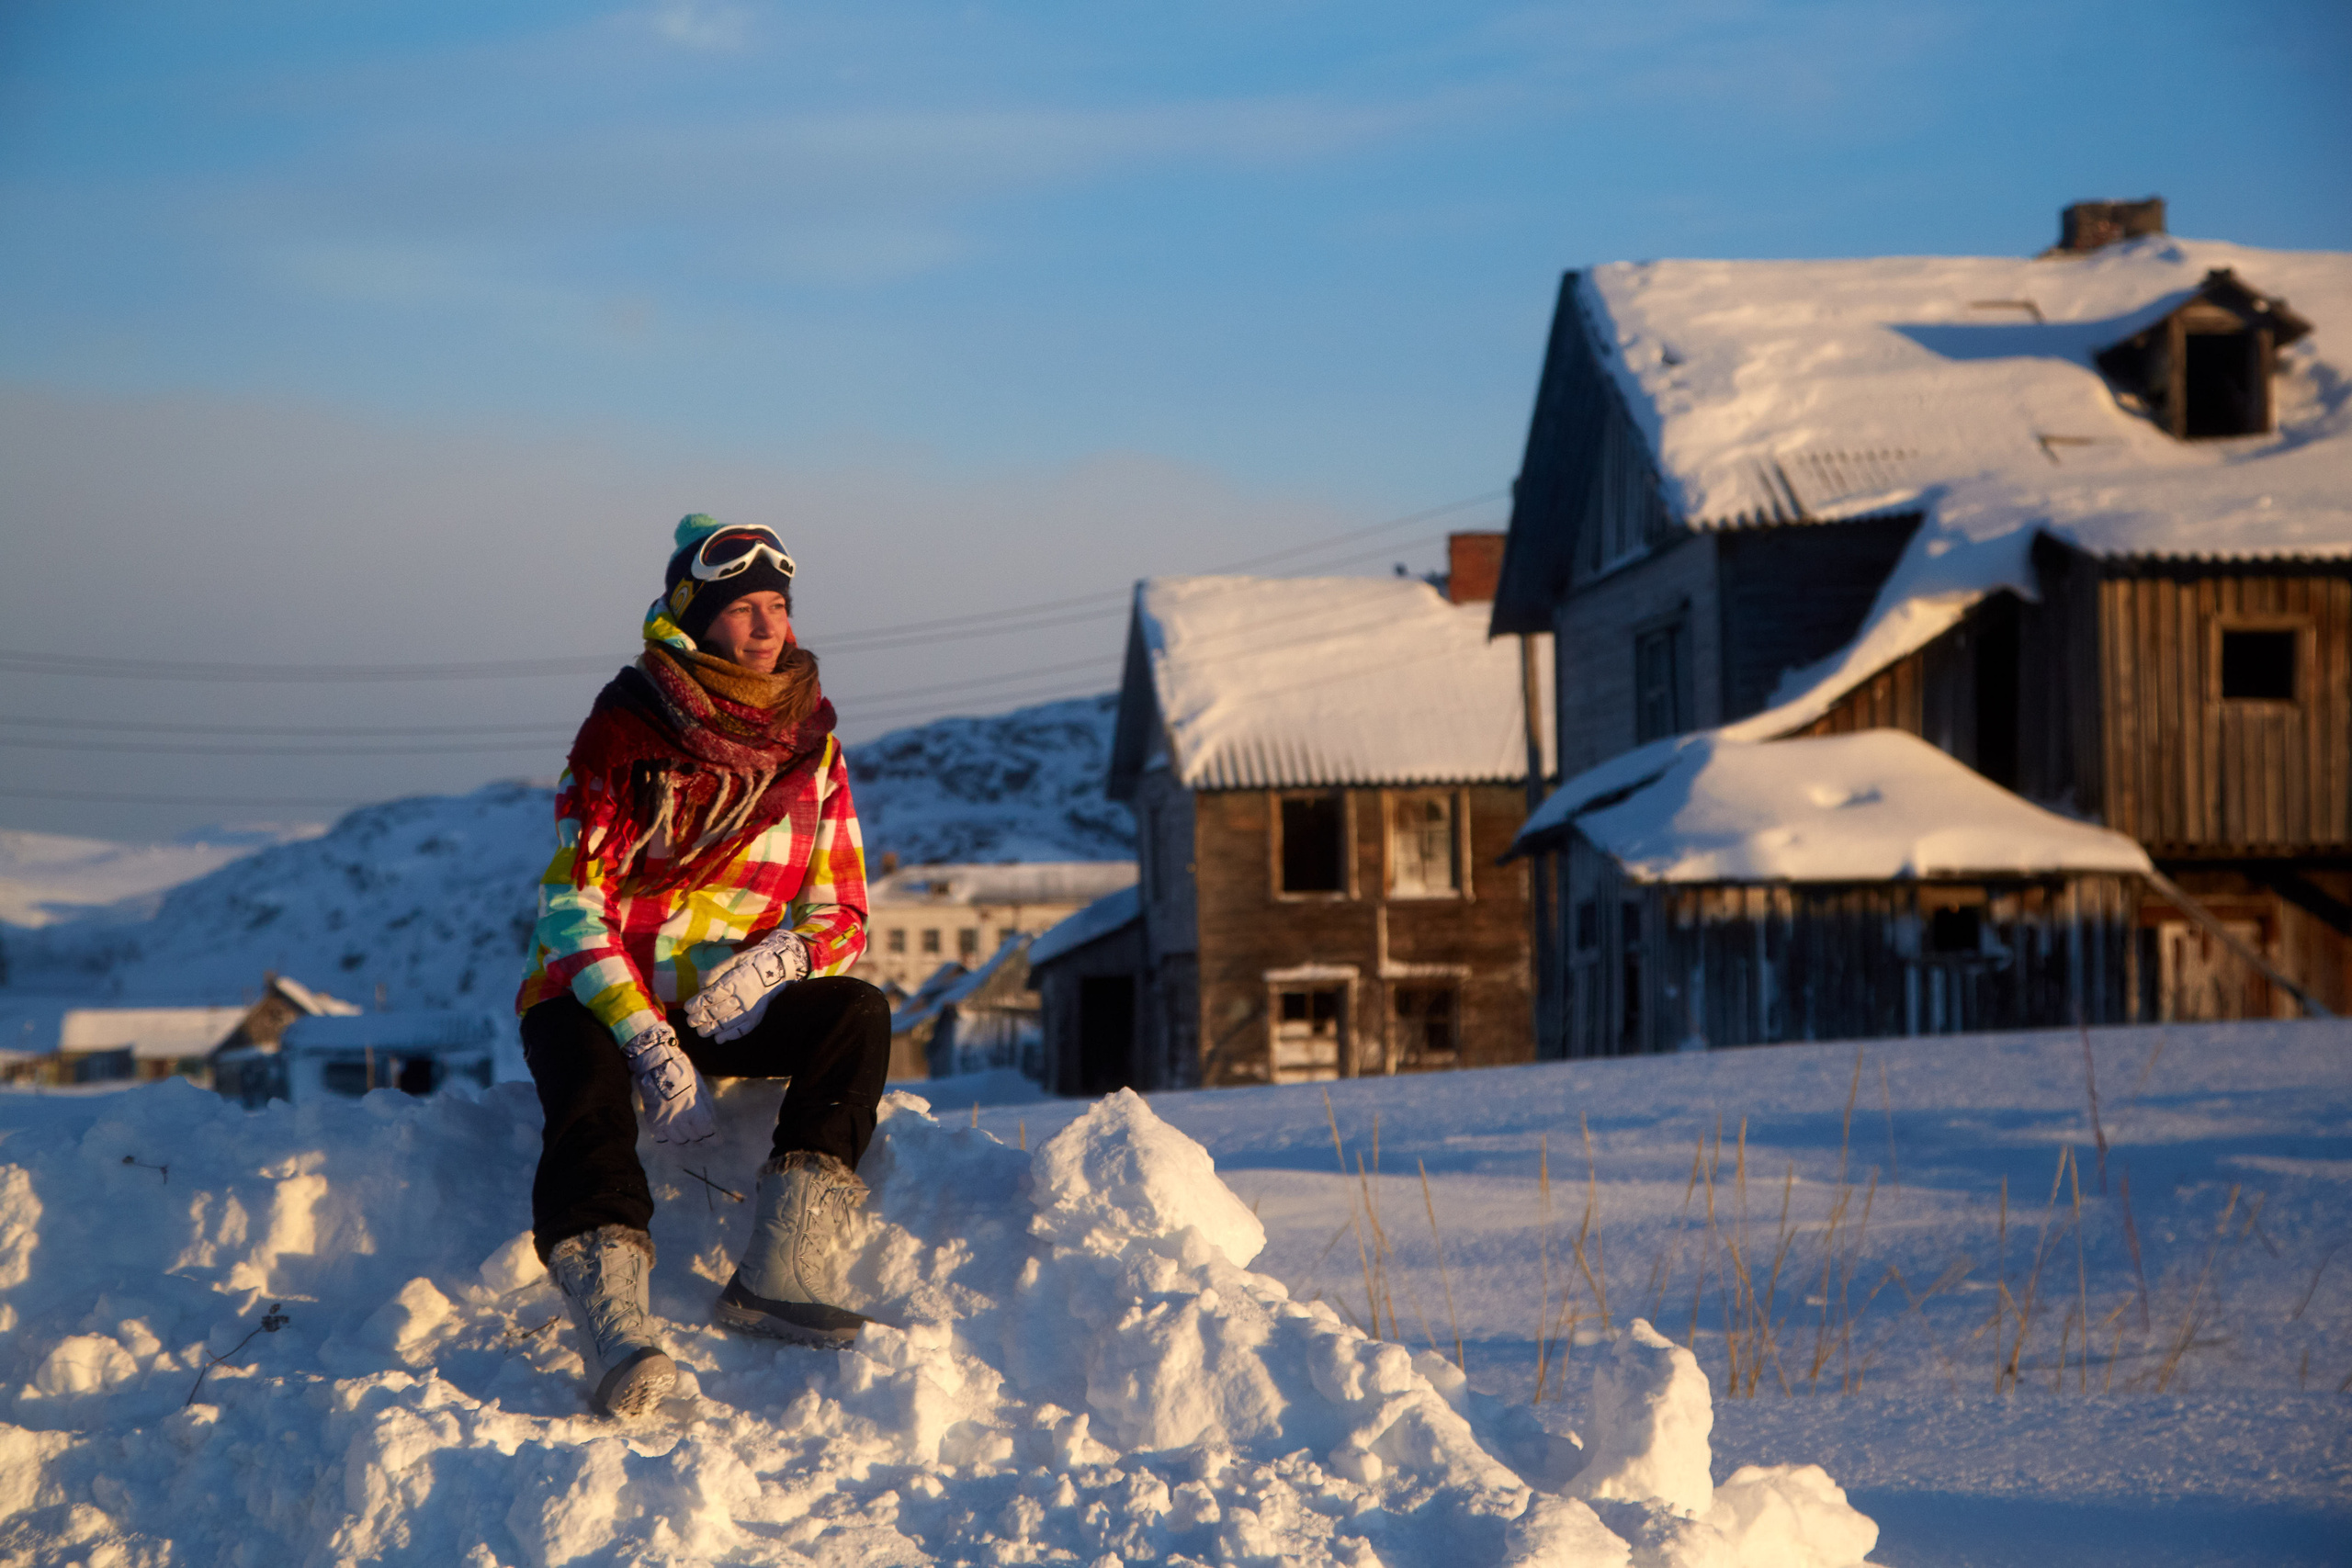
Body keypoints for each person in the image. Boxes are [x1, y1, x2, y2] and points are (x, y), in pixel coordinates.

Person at [514, 513, 891, 1419]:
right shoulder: (620, 739)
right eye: (743, 609)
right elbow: (572, 906)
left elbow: (842, 909)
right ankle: (616, 1328)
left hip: (727, 1006)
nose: (768, 628)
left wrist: (773, 967)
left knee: (857, 1015)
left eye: (777, 607)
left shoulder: (815, 752)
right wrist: (645, 1035)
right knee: (587, 1086)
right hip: (603, 996)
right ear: (692, 617)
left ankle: (781, 1270)